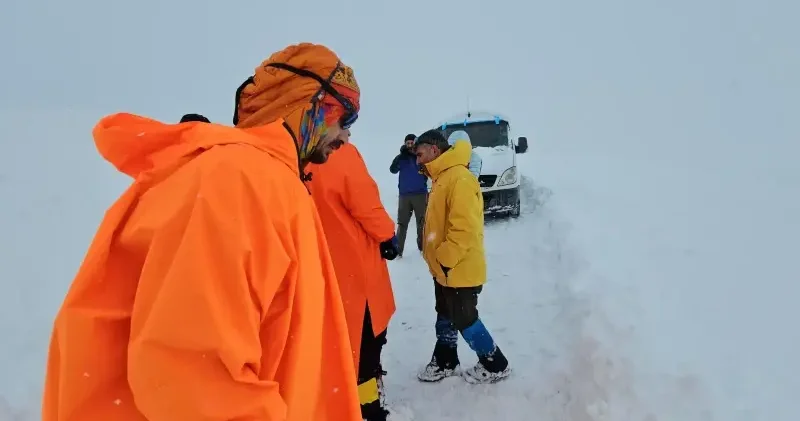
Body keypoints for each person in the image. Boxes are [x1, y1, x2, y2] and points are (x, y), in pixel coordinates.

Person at [42, 43, 364, 421]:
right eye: (346, 117)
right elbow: (194, 375)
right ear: (311, 102)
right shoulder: (242, 179)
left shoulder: (259, 177)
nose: (347, 137)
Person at [306, 141, 400, 421]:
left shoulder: (294, 159)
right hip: (355, 271)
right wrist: (387, 236)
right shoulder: (339, 154)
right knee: (366, 345)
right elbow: (366, 204)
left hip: (319, 270)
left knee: (337, 344)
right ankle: (368, 408)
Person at [413, 129, 512, 385]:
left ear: (434, 150)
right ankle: (446, 359)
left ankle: (495, 363)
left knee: (465, 318)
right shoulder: (442, 178)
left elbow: (464, 230)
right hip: (445, 269)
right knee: (445, 312)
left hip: (458, 267)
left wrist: (444, 258)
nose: (417, 161)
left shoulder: (459, 179)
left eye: (420, 154)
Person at [389, 133, 428, 256]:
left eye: (412, 142)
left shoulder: (421, 155)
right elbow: (392, 169)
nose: (410, 145)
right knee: (402, 223)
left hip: (420, 195)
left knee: (422, 223)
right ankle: (398, 250)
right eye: (408, 143)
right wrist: (400, 156)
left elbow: (429, 170)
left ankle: (422, 248)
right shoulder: (402, 158)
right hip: (404, 196)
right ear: (405, 144)